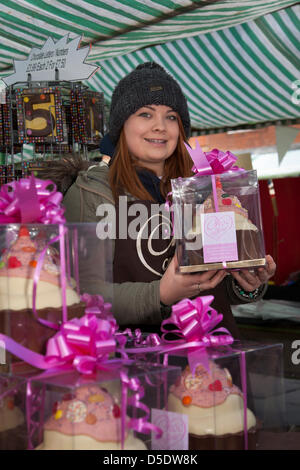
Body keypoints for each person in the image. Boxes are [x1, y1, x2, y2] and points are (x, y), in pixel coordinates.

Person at [55, 62, 276, 337]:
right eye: (145, 114)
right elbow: (81, 294)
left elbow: (215, 285)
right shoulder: (92, 192)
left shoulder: (204, 191)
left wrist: (247, 283)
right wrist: (160, 294)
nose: (160, 126)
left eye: (171, 117)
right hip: (138, 362)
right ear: (121, 125)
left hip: (212, 358)